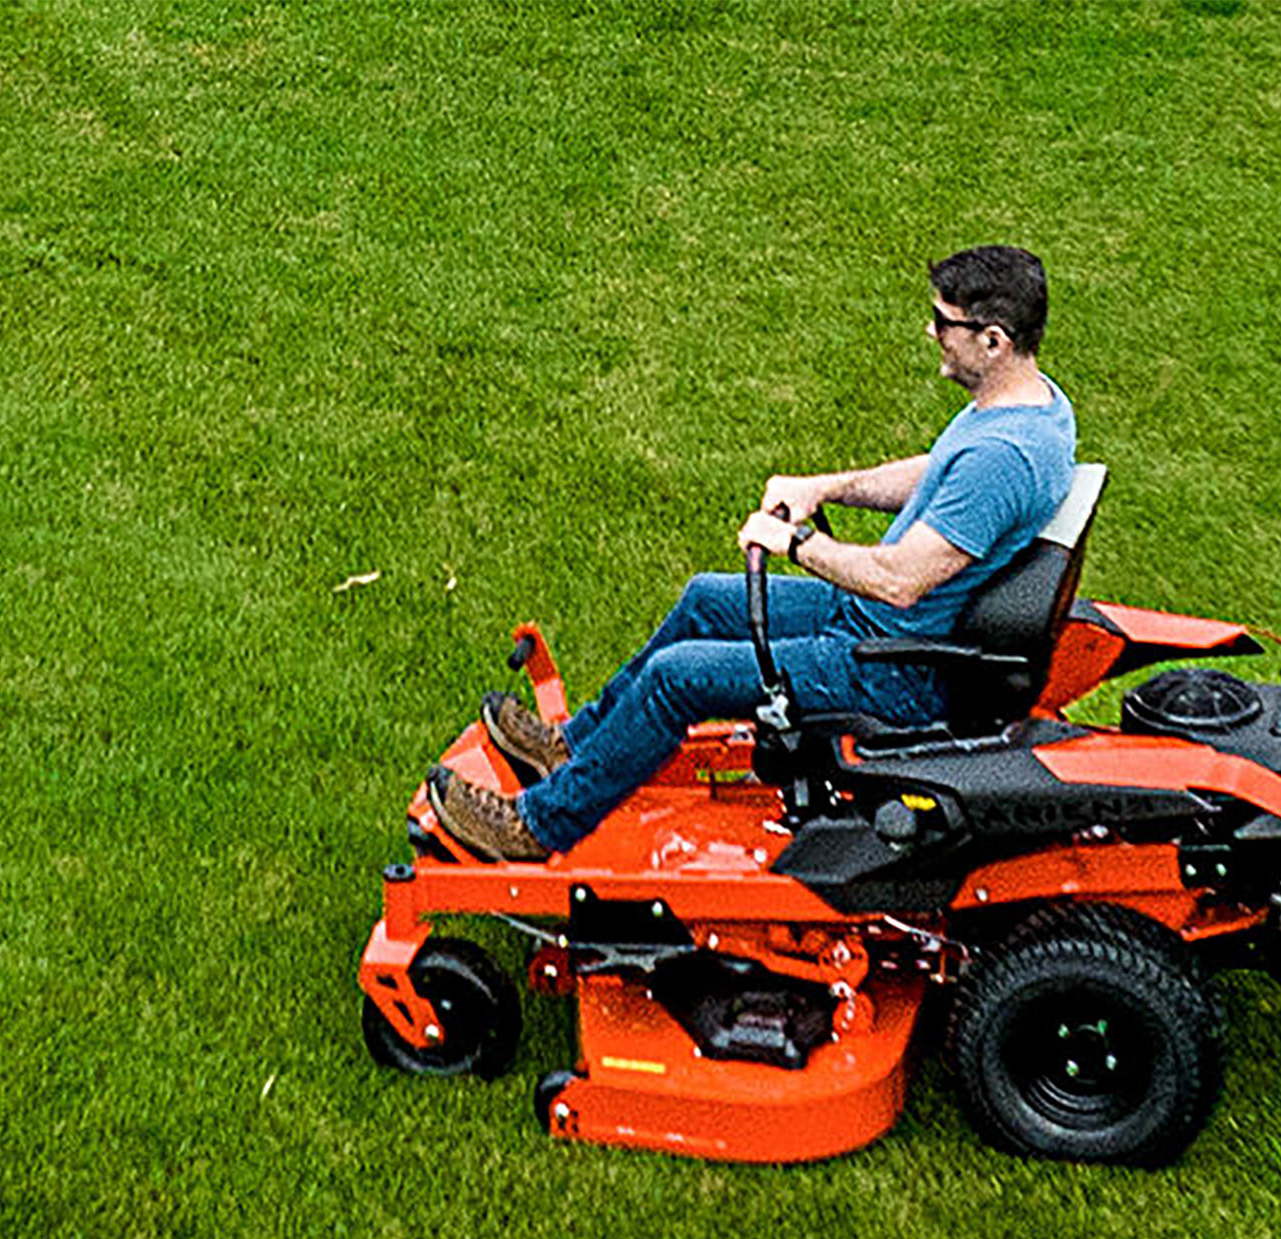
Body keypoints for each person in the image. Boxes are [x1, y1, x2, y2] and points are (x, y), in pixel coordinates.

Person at [427, 244, 1077, 862]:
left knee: (675, 678)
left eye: (945, 322)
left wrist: (796, 541)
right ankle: (571, 748)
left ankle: (537, 825)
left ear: (993, 341)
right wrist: (827, 486)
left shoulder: (1003, 460)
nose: (930, 331)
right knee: (708, 599)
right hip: (881, 628)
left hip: (894, 669)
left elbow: (898, 580)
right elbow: (940, 474)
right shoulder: (1033, 408)